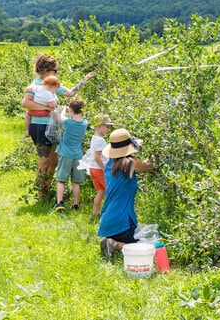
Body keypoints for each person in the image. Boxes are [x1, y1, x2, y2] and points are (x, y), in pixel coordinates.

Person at [21, 53, 95, 201]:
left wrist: (85, 79)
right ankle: (42, 194)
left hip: (53, 127)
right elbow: (26, 103)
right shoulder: (34, 86)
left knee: (54, 160)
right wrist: (48, 108)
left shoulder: (53, 84)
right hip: (40, 127)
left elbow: (71, 92)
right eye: (55, 70)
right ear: (47, 69)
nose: (57, 73)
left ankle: (47, 188)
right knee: (44, 160)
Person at [98, 128, 155, 259]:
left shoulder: (109, 165)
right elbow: (148, 167)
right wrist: (154, 157)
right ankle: (115, 244)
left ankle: (111, 241)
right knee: (144, 248)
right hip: (122, 223)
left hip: (107, 221)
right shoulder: (130, 163)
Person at [54, 97, 88, 212]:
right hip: (78, 155)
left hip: (66, 154)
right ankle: (76, 204)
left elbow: (60, 118)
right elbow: (79, 118)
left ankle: (59, 202)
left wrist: (64, 109)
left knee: (61, 180)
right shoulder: (84, 124)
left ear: (71, 110)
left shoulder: (67, 122)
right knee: (76, 182)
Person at [88, 115, 113, 221]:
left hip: (93, 168)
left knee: (101, 191)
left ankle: (96, 213)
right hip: (99, 169)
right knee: (111, 190)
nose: (108, 129)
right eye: (106, 126)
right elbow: (97, 157)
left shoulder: (94, 138)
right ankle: (108, 213)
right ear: (98, 126)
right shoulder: (100, 140)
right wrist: (105, 169)